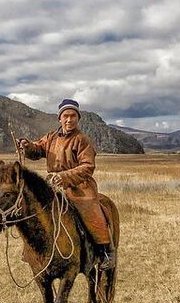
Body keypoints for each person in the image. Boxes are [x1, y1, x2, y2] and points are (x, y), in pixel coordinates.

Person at [18, 98, 116, 269]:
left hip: (79, 187)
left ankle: (106, 251)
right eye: (66, 116)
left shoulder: (81, 140)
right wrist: (27, 147)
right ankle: (32, 249)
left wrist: (64, 177)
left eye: (73, 116)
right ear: (60, 118)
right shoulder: (51, 137)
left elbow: (88, 166)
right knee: (34, 209)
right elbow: (37, 149)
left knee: (90, 211)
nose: (69, 120)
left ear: (78, 118)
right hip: (53, 185)